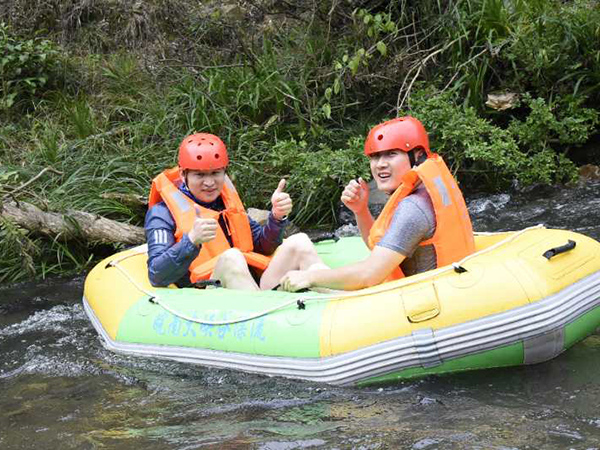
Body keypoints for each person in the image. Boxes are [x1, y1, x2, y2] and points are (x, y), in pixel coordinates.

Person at [279, 116, 475, 292]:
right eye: (375, 156)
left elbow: (370, 274)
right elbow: (380, 247)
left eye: (391, 154)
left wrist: (310, 277)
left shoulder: (413, 208)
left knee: (310, 269)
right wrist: (361, 210)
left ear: (416, 155)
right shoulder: (428, 188)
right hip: (443, 288)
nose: (380, 163)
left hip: (417, 302)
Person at [145, 133, 324, 290]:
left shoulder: (225, 202)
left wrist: (276, 218)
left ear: (224, 172)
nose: (209, 183)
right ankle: (266, 318)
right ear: (183, 176)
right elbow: (156, 275)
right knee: (232, 257)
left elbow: (263, 246)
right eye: (200, 175)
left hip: (249, 286)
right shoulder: (162, 213)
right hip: (203, 295)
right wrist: (191, 240)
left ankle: (338, 303)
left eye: (215, 173)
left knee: (299, 241)